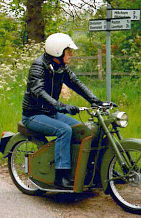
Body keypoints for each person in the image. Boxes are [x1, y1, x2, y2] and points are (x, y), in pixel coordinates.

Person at [22, 33, 103, 189]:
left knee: (83, 130)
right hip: (33, 115)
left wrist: (95, 100)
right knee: (64, 130)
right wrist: (60, 105)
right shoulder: (38, 66)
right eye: (69, 51)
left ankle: (88, 172)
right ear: (58, 52)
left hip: (51, 113)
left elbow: (76, 83)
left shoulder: (61, 67)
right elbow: (38, 91)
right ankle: (61, 176)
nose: (71, 54)